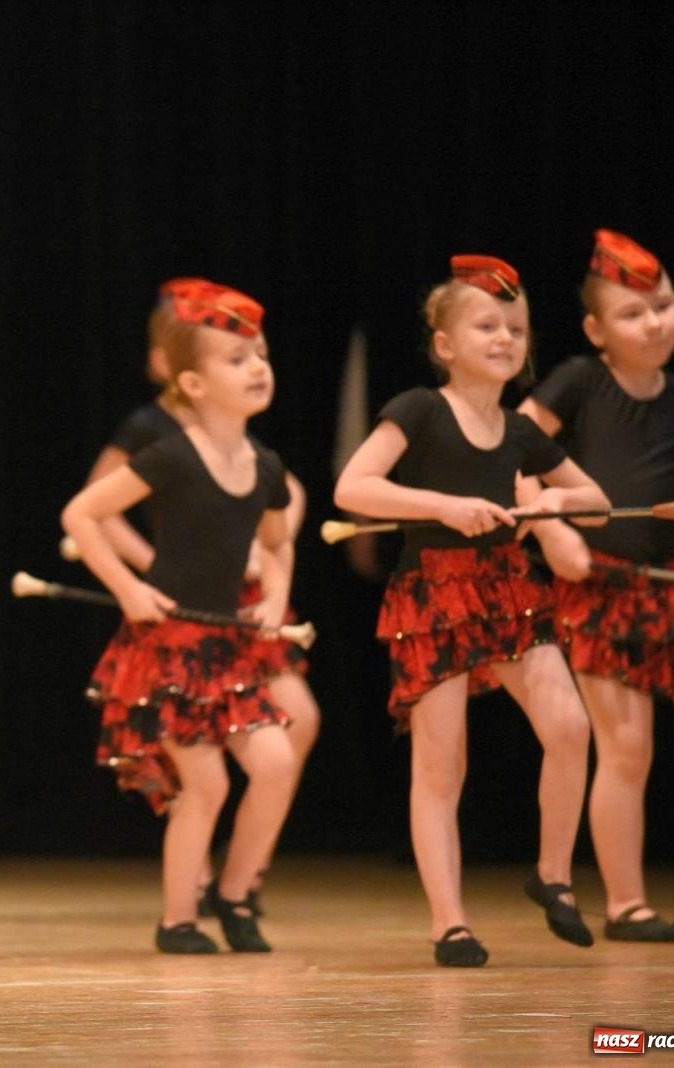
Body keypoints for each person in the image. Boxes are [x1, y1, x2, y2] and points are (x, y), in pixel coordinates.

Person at [333, 255, 607, 967]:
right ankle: (449, 922)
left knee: (571, 727)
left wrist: (553, 502)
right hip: (434, 594)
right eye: (486, 325)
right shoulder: (419, 409)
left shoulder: (520, 430)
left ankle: (551, 874)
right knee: (441, 764)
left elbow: (596, 500)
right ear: (445, 346)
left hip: (508, 591)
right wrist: (443, 507)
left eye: (515, 327)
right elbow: (353, 488)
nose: (505, 338)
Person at [521, 230, 674, 941]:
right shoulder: (577, 382)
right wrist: (553, 532)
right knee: (626, 746)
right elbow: (517, 453)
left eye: (665, 305)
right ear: (596, 330)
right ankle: (626, 902)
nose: (654, 322)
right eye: (633, 313)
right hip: (604, 589)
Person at [62, 282, 302, 955]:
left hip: (229, 650)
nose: (257, 367)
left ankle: (233, 893)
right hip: (168, 648)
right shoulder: (171, 455)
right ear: (192, 382)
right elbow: (81, 514)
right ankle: (177, 920)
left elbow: (278, 547)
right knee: (207, 783)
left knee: (278, 762)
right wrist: (132, 589)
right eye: (236, 359)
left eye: (260, 355)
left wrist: (276, 601)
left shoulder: (266, 466)